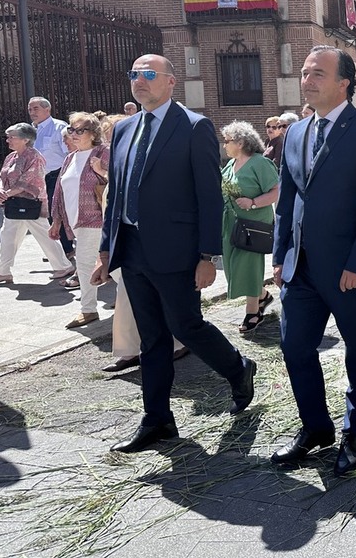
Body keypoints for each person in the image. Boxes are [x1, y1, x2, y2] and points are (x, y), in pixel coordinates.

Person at [92, 54, 257, 453]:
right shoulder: (125, 128)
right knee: (152, 339)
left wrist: (207, 256)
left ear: (170, 82)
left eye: (149, 75)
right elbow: (117, 196)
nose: (139, 81)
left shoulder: (194, 126)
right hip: (132, 250)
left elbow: (207, 195)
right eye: (134, 74)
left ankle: (238, 369)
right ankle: (158, 420)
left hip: (177, 251)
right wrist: (104, 249)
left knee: (186, 326)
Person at [270, 46, 356, 474]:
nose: (307, 80)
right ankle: (315, 427)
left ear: (344, 82)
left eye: (317, 73)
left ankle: (353, 430)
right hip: (300, 269)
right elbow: (287, 199)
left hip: (348, 271)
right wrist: (280, 254)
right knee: (294, 347)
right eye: (304, 72)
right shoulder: (296, 132)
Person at [96, 114, 187, 373]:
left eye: (115, 134)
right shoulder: (116, 164)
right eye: (109, 136)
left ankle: (176, 344)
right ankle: (128, 350)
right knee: (125, 298)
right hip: (120, 242)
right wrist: (102, 254)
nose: (112, 140)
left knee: (160, 300)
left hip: (150, 243)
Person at [49, 113, 110, 328]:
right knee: (95, 265)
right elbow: (59, 190)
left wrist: (101, 170)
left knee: (87, 264)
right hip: (76, 220)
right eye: (71, 130)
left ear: (93, 134)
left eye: (79, 130)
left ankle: (89, 310)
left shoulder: (103, 153)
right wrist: (56, 220)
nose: (73, 134)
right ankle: (96, 308)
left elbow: (121, 181)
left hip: (98, 219)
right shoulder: (70, 157)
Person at [0, 123, 76, 285]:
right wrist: (0, 189)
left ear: (26, 139)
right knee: (8, 236)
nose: (8, 140)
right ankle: (3, 271)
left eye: (12, 137)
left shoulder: (34, 156)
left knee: (44, 236)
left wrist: (7, 193)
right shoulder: (10, 157)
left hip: (32, 204)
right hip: (13, 204)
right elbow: (1, 176)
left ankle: (63, 266)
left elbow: (30, 181)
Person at [221, 121, 279, 332]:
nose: (224, 145)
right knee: (232, 267)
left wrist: (253, 202)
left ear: (241, 142)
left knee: (248, 265)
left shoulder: (259, 163)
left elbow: (276, 191)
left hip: (254, 223)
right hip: (232, 223)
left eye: (227, 141)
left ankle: (252, 312)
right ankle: (262, 296)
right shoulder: (230, 164)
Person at [28, 96, 74, 259]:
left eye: (36, 109)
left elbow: (70, 153)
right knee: (46, 214)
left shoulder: (58, 127)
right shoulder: (30, 130)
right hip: (38, 179)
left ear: (47, 110)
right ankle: (57, 250)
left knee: (58, 213)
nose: (32, 112)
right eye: (30, 109)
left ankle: (67, 250)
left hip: (56, 176)